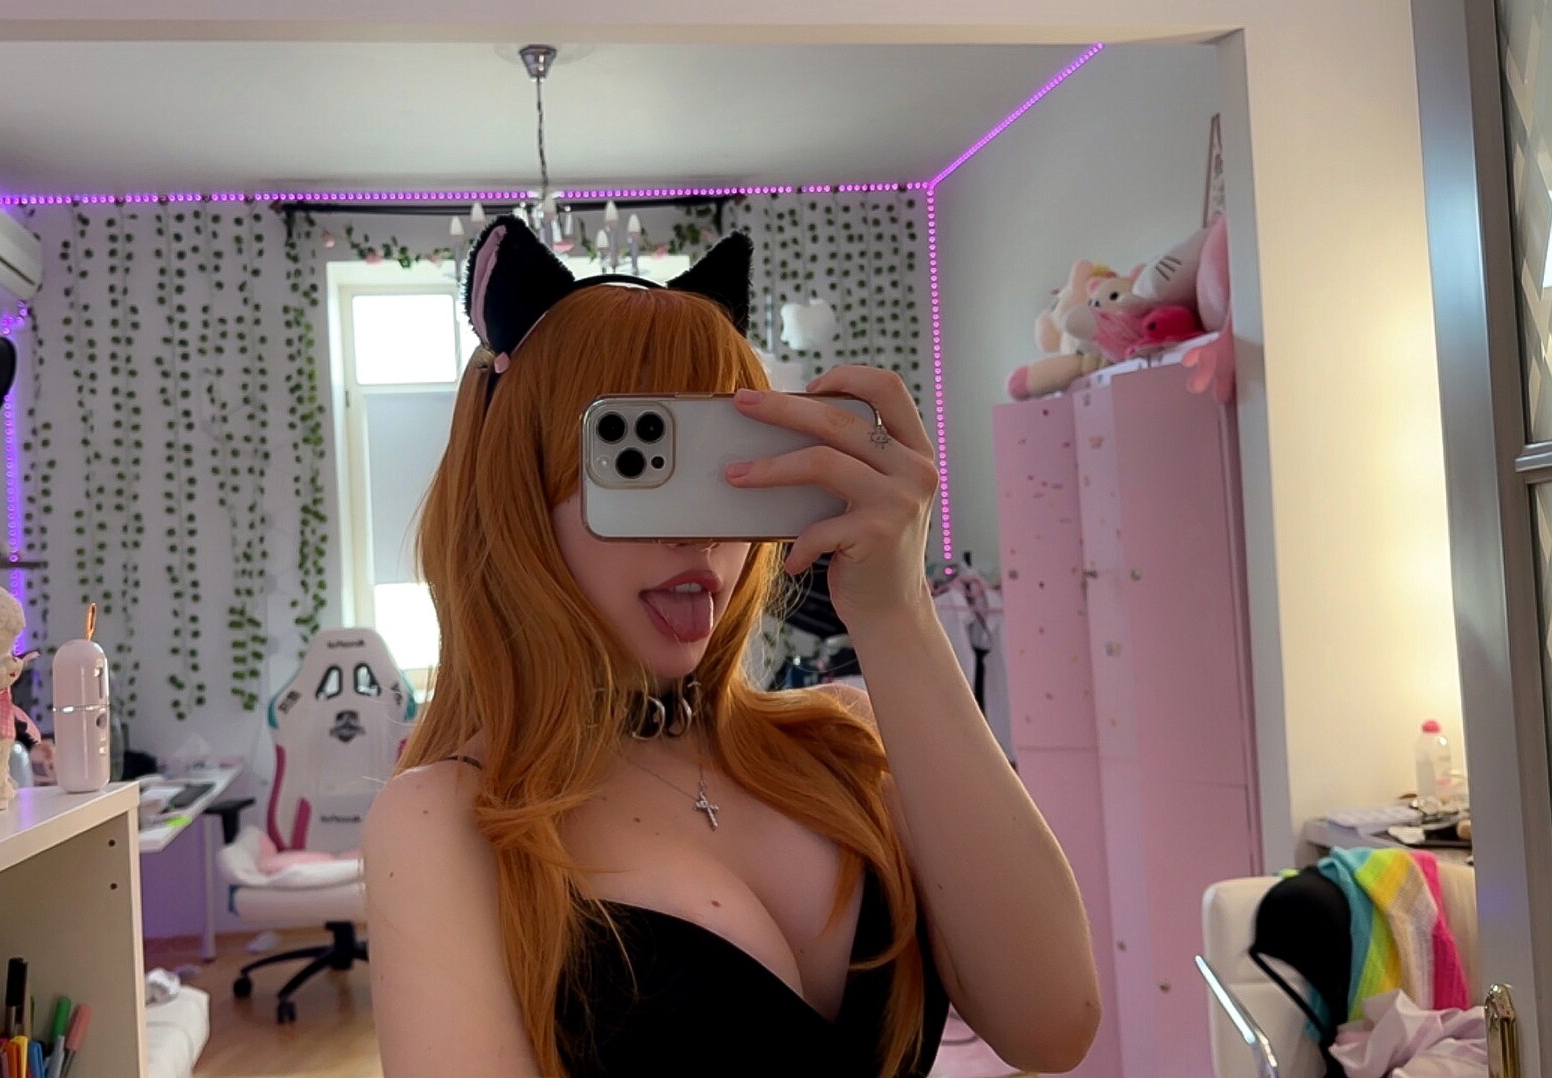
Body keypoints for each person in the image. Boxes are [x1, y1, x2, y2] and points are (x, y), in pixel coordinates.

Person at [364, 217, 1098, 1077]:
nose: (701, 534)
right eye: (640, 464)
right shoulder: (448, 822)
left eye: (725, 468)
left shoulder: (850, 742)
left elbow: (1052, 1025)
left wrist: (896, 609)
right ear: (517, 492)